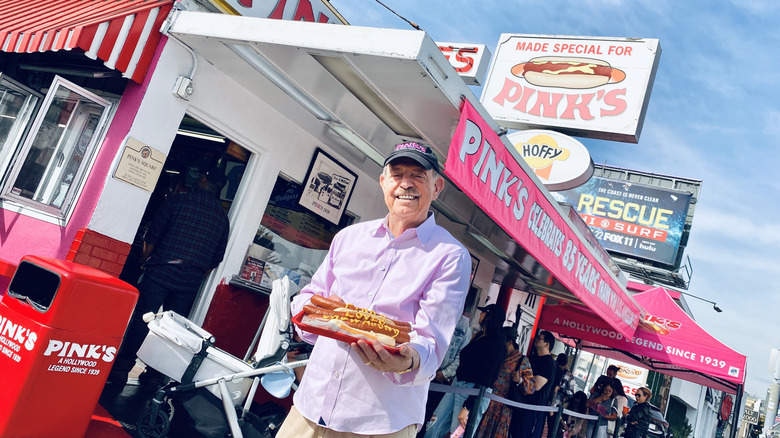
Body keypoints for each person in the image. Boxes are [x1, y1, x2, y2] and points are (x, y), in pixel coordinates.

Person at [276, 142, 472, 437]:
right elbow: (310, 295)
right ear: (383, 182)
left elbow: (431, 340)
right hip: (310, 407)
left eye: (418, 175)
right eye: (397, 174)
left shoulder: (449, 256)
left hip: (381, 421)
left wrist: (405, 359)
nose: (406, 183)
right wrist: (312, 312)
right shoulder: (348, 238)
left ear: (437, 186)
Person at [108, 167, 230, 386]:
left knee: (142, 321)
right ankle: (154, 375)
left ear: (203, 178)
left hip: (160, 271)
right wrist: (195, 274)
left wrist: (143, 259)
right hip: (189, 282)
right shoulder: (222, 219)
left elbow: (153, 236)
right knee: (173, 331)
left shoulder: (177, 201)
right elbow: (215, 259)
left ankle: (121, 368)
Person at [425, 304, 507, 438]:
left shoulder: (496, 344)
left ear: (489, 316)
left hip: (472, 392)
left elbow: (486, 378)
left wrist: (468, 407)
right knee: (434, 424)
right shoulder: (480, 336)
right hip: (457, 385)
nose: (480, 315)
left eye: (483, 313)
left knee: (458, 434)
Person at [417, 306, 473, 438]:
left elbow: (462, 355)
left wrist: (445, 373)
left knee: (432, 415)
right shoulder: (433, 315)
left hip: (443, 380)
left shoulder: (464, 327)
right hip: (423, 372)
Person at [475, 326, 523, 438]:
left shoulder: (521, 360)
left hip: (502, 408)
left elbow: (532, 387)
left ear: (510, 342)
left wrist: (520, 380)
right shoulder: (498, 352)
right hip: (486, 400)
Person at [511, 330, 557, 438]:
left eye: (539, 338)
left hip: (534, 408)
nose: (535, 339)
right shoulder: (531, 358)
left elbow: (536, 386)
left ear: (547, 344)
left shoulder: (549, 363)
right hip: (520, 402)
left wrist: (521, 380)